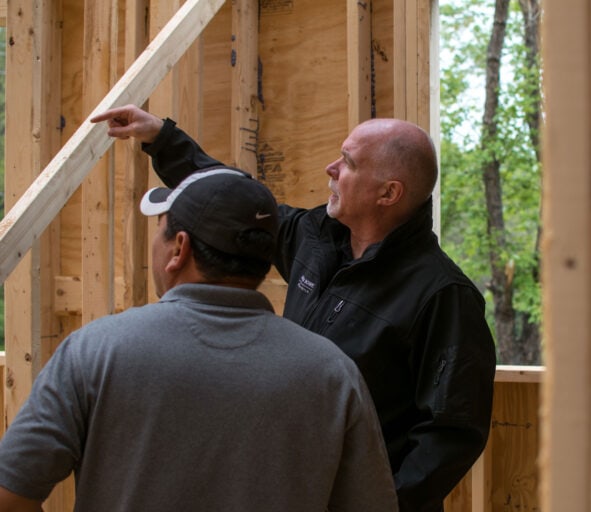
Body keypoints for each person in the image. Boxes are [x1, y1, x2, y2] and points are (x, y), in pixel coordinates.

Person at [92, 105, 498, 512]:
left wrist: (381, 504)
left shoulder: (443, 295)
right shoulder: (316, 239)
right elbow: (230, 197)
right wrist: (161, 138)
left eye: (349, 163)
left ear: (388, 193)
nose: (331, 168)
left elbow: (451, 435)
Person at [0, 168, 398, 512]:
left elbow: (9, 495)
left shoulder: (95, 351)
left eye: (161, 230)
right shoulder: (332, 372)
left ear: (179, 248)